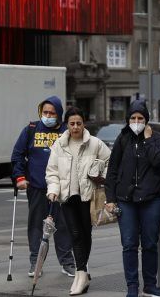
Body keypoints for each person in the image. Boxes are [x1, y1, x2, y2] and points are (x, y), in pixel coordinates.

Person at [45, 106, 111, 295]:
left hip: (87, 196)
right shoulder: (59, 144)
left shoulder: (95, 143)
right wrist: (53, 190)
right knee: (74, 234)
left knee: (85, 234)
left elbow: (110, 163)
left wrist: (100, 175)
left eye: (79, 123)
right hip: (67, 197)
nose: (75, 127)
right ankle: (81, 273)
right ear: (67, 125)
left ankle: (82, 274)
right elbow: (52, 171)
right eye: (72, 124)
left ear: (84, 124)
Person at [104, 100, 160, 297]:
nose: (137, 121)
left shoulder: (156, 138)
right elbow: (112, 170)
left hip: (152, 198)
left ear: (146, 119)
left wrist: (147, 140)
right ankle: (132, 286)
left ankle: (150, 284)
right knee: (129, 243)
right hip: (126, 200)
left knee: (149, 243)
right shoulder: (123, 139)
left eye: (140, 118)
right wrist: (110, 198)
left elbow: (158, 163)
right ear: (128, 119)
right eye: (133, 118)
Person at [11, 96, 75, 277]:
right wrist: (20, 177)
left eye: (52, 113)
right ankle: (35, 263)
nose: (47, 115)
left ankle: (67, 262)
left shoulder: (66, 130)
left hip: (62, 188)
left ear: (59, 114)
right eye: (45, 112)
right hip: (37, 187)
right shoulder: (31, 129)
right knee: (36, 227)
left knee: (63, 226)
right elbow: (17, 155)